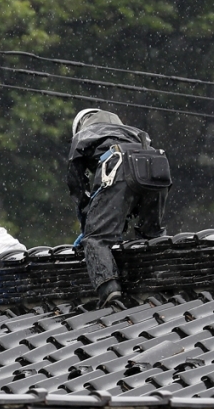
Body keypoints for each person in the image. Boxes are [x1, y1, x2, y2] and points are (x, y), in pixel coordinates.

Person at [68, 108, 171, 307]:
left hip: (120, 164)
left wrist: (87, 221)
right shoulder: (133, 132)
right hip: (157, 166)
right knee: (152, 235)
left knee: (96, 239)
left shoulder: (84, 135)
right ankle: (165, 278)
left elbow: (76, 183)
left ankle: (110, 291)